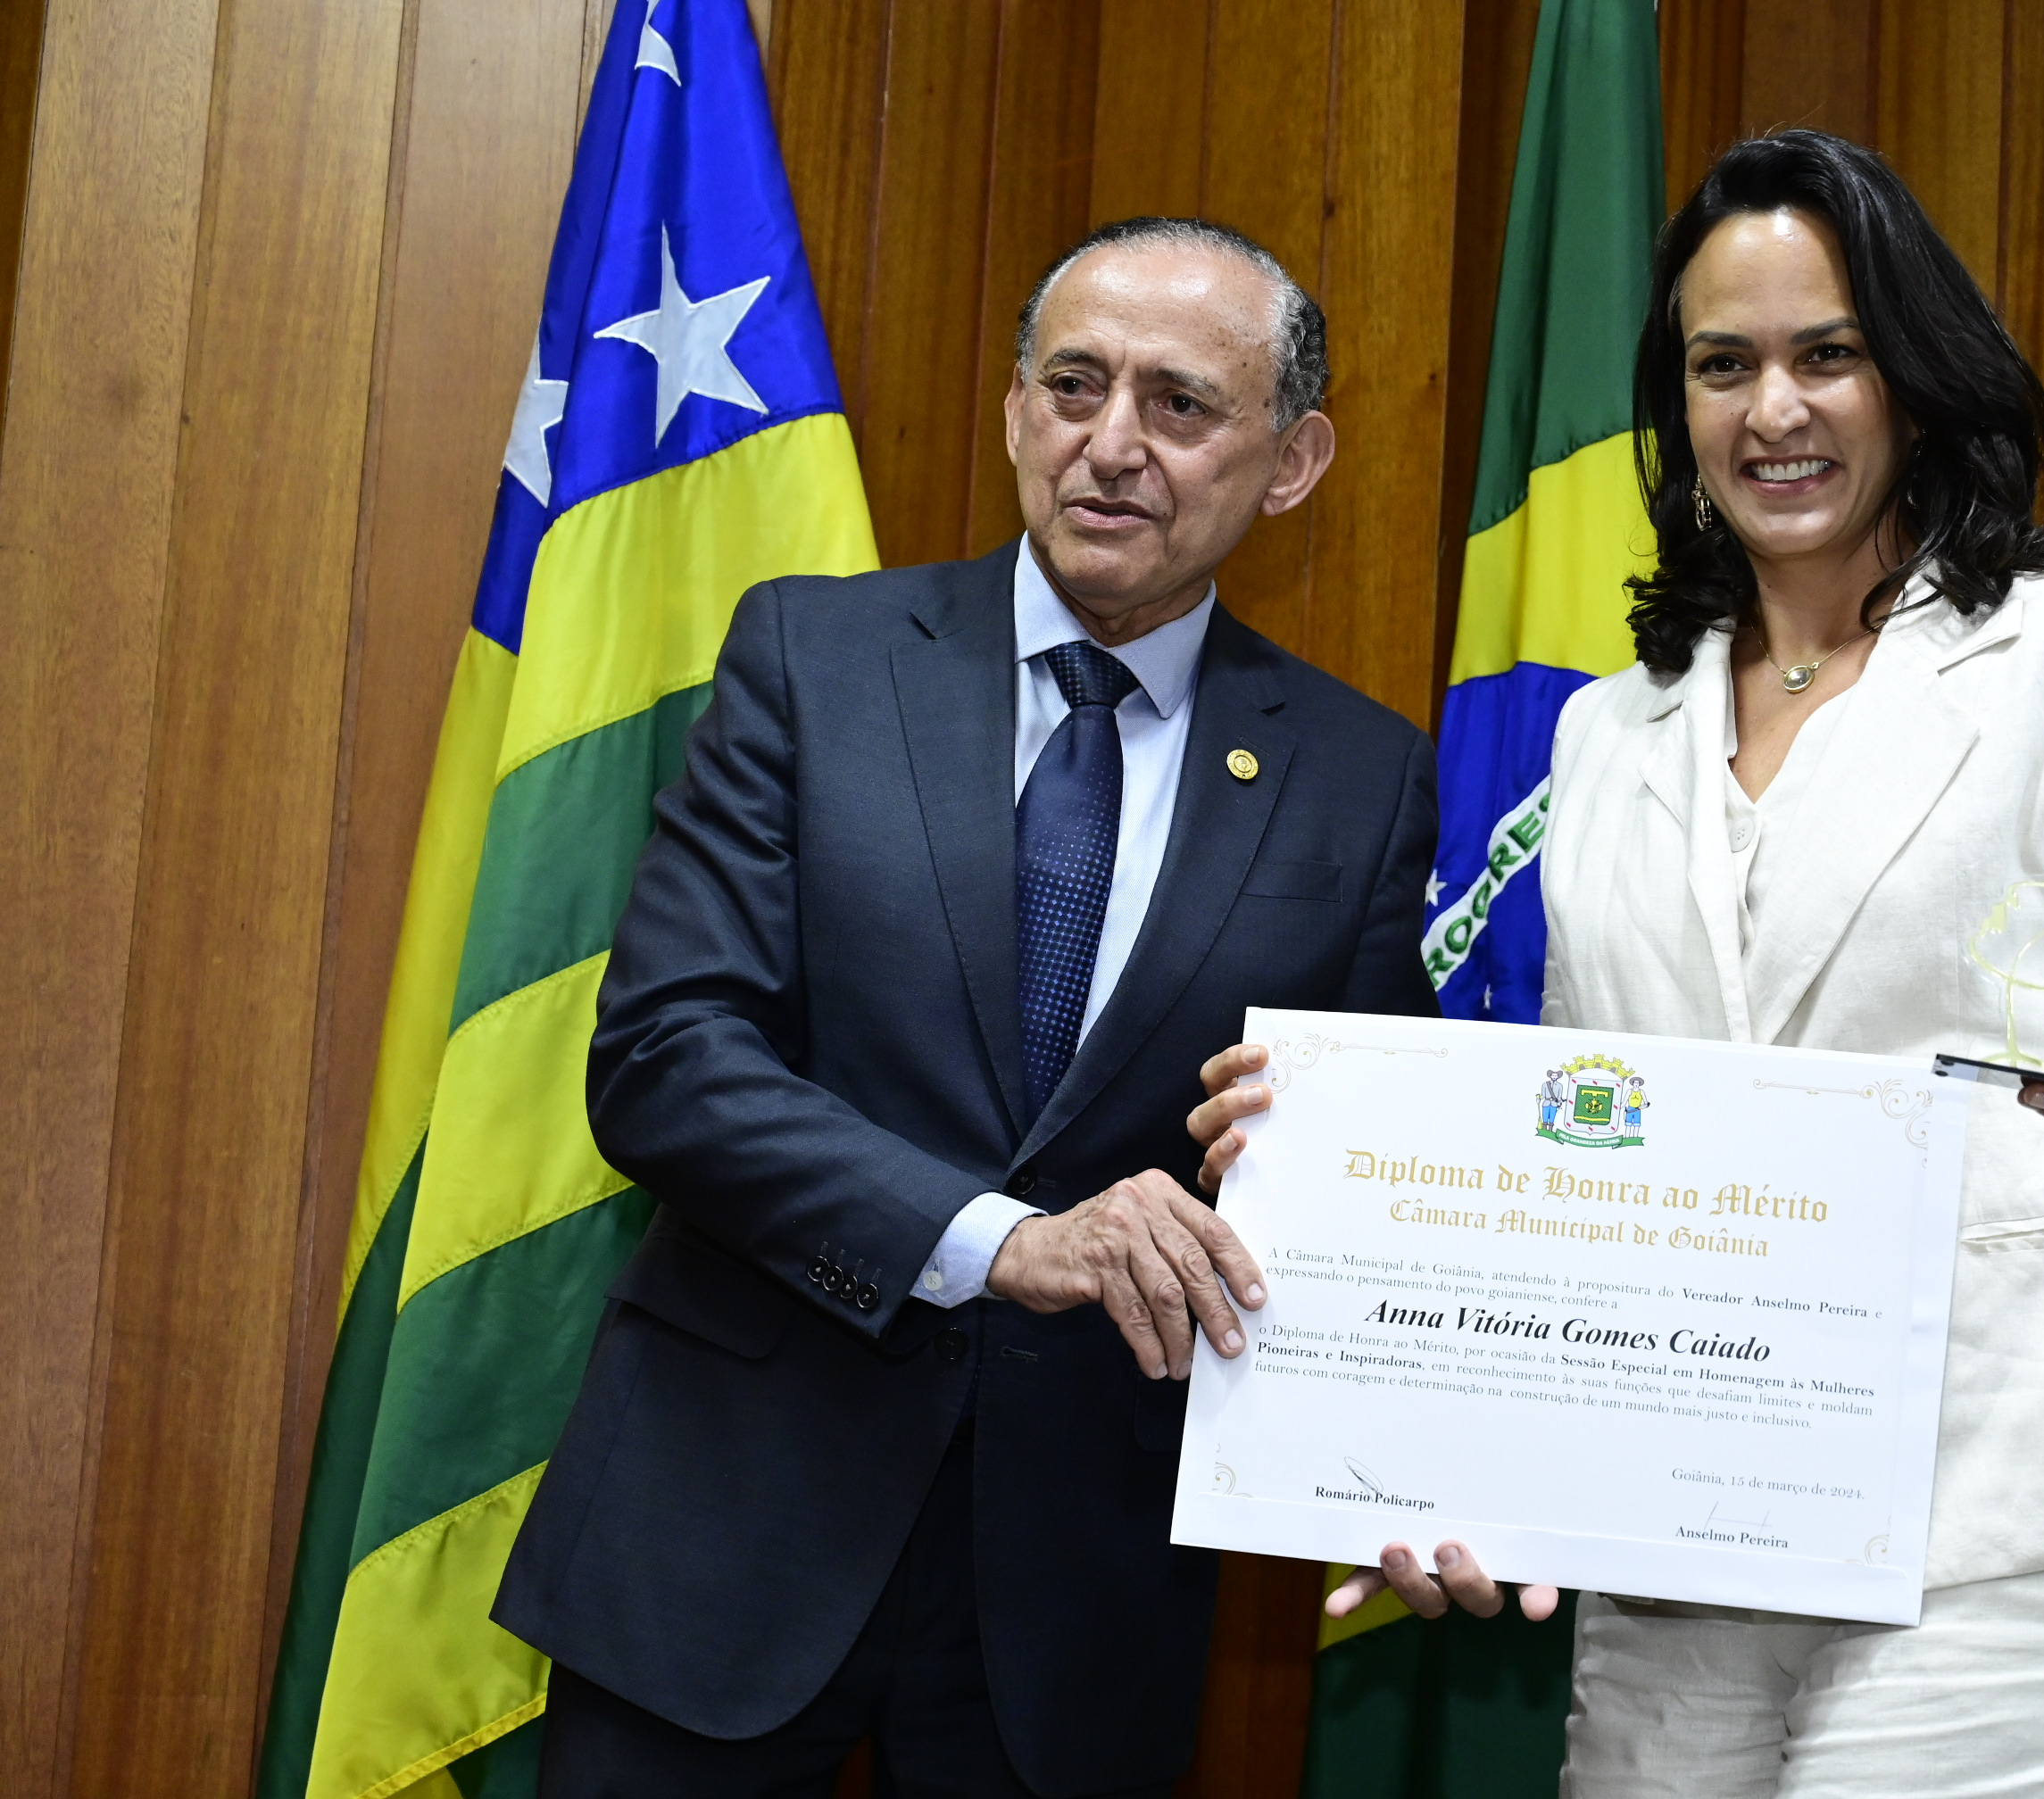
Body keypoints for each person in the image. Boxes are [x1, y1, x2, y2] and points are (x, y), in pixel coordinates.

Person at [1198, 132, 2044, 1795]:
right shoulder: (1609, 730)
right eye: (1723, 365)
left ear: (1918, 382)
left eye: (1829, 355)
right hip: (1679, 1536)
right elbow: (1575, 1150)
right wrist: (1369, 1265)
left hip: (2003, 1519)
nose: (1772, 411)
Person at [493, 215, 1441, 1799]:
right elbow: (665, 1059)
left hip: (1078, 1598)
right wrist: (1003, 1242)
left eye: (1180, 404)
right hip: (726, 1536)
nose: (1112, 444)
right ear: (1013, 412)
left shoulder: (1359, 774)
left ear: (1292, 462)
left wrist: (1425, 1468)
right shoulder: (814, 657)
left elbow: (1370, 1184)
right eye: (1074, 385)